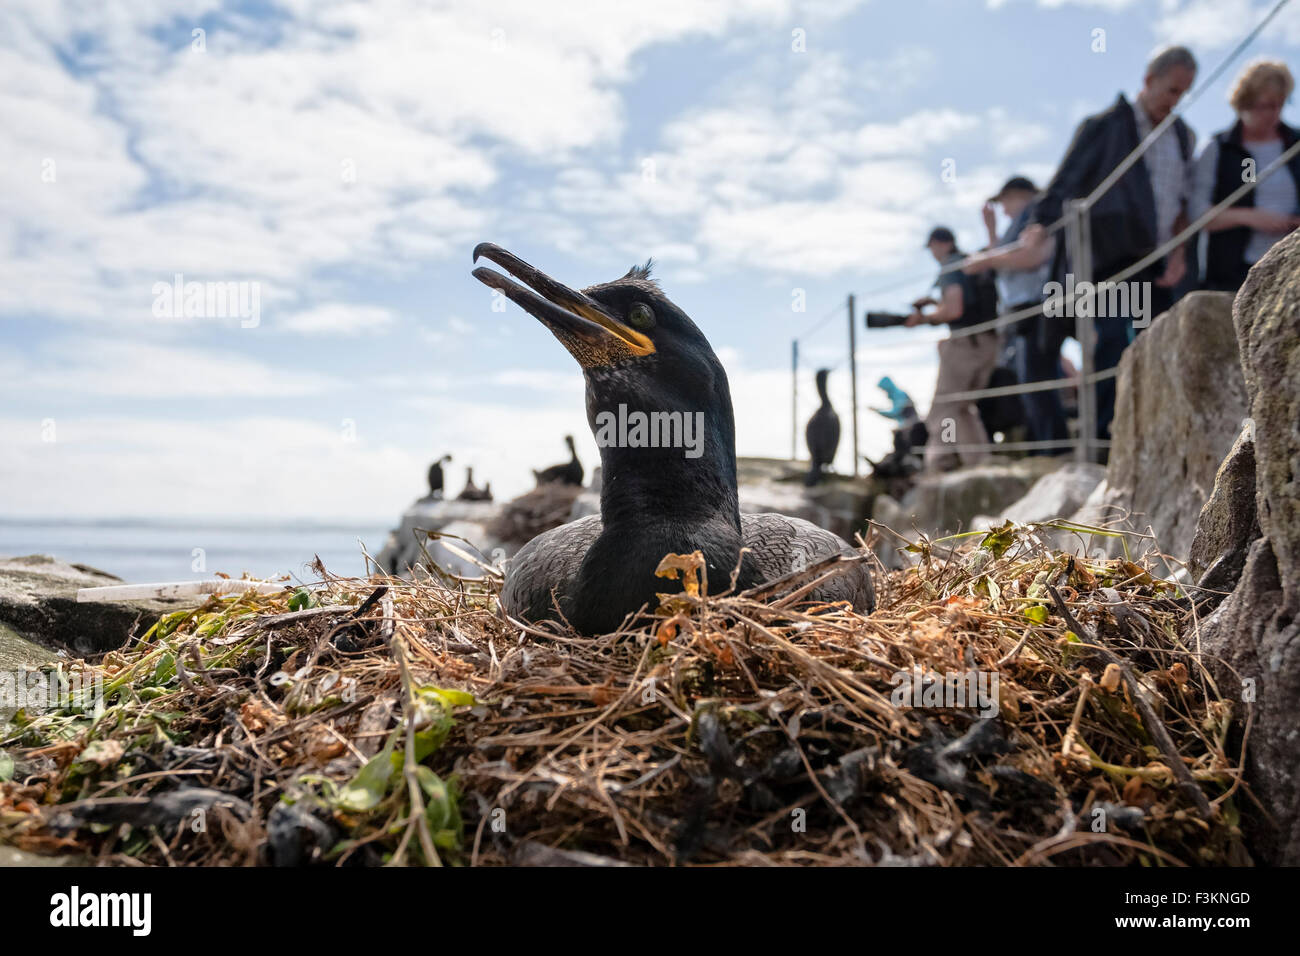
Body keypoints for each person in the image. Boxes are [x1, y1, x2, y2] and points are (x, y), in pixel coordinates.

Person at [1022, 45, 1198, 453]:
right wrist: (1040, 224)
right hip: (1109, 256)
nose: (1175, 102)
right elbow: (1067, 178)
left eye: (1183, 94)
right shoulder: (1103, 126)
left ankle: (1160, 434)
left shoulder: (1183, 135)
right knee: (1113, 340)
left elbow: (1183, 203)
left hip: (1160, 262)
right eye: (1170, 90)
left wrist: (1179, 252)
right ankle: (1106, 439)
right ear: (1148, 81)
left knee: (1167, 340)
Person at [962, 176, 1065, 455]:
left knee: (1038, 378)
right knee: (1030, 379)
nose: (1003, 208)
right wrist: (992, 231)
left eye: (1004, 201)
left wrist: (985, 260)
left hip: (1037, 304)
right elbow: (1004, 262)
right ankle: (1046, 445)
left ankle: (1054, 447)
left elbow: (1032, 256)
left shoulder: (1036, 217)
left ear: (1018, 195)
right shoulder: (1017, 224)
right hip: (1021, 311)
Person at [1192, 59, 1300, 291]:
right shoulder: (1218, 148)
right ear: (1244, 104)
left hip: (1292, 270)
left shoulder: (1296, 145)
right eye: (1265, 106)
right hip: (1233, 276)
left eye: (1279, 105)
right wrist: (1251, 217)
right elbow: (1197, 213)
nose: (1273, 114)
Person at [906, 226, 1000, 472]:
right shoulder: (969, 262)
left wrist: (924, 319)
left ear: (938, 243)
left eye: (931, 248)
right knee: (963, 408)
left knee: (943, 408)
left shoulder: (951, 265)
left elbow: (955, 309)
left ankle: (939, 471)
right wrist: (936, 303)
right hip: (988, 342)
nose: (932, 254)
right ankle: (980, 466)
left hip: (965, 343)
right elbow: (966, 305)